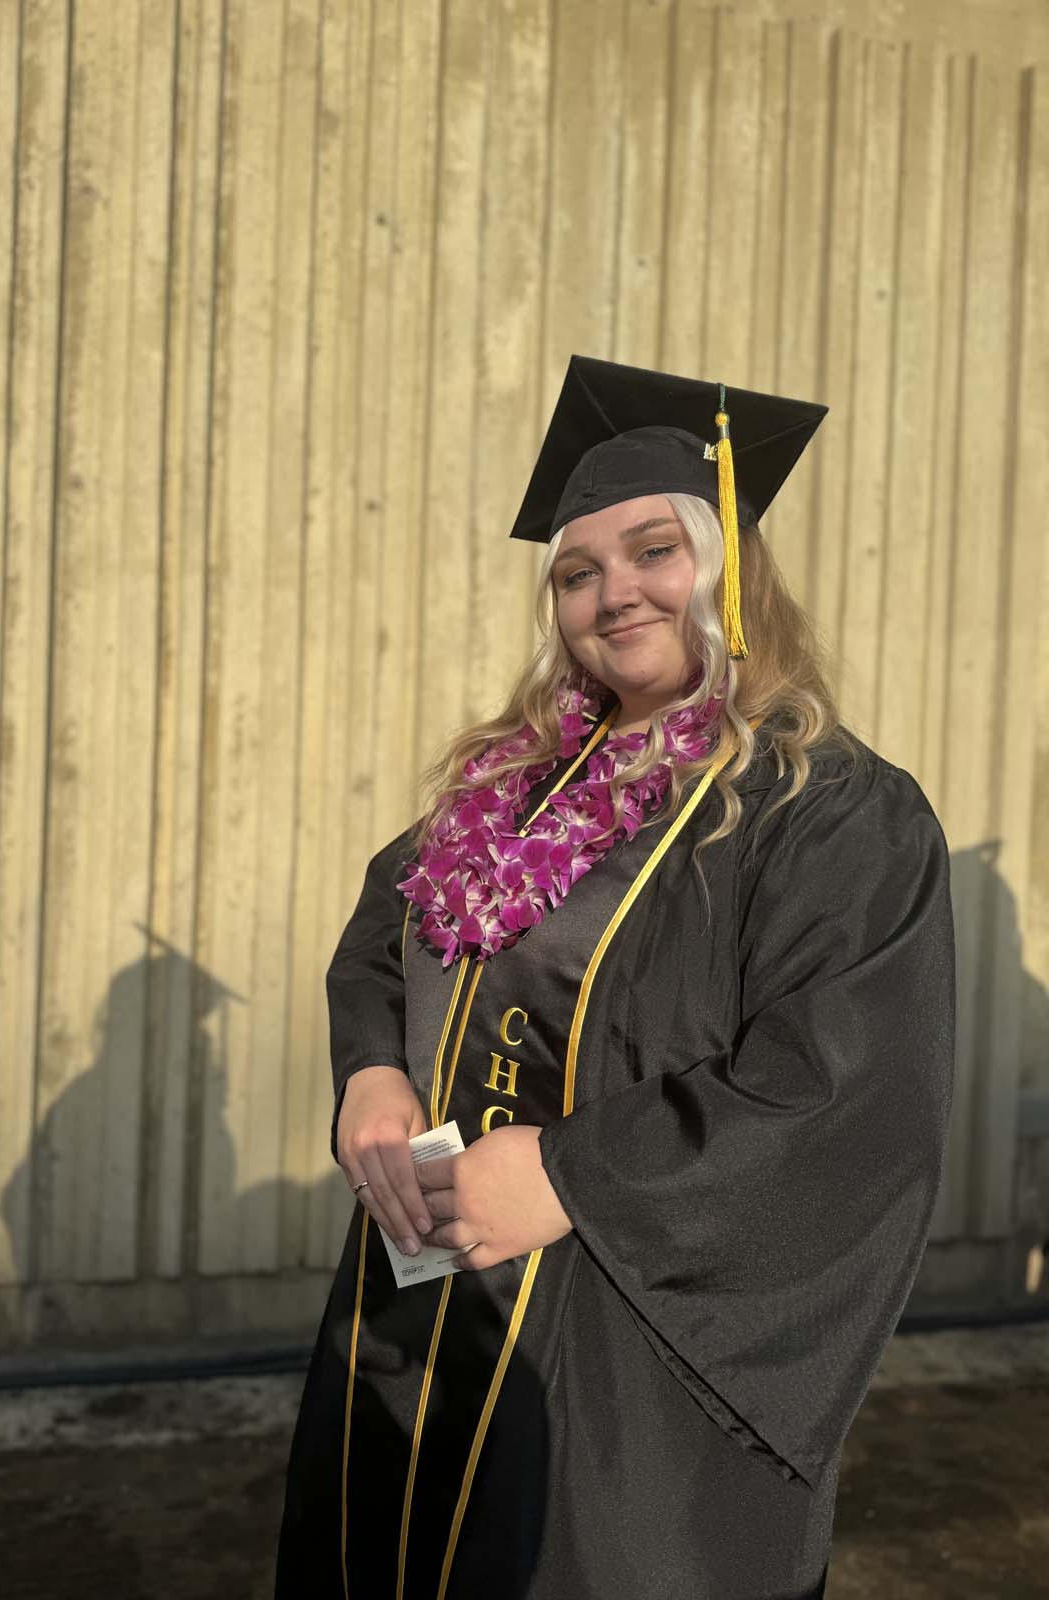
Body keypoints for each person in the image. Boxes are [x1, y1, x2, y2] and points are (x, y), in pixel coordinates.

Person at [274, 357, 955, 1599]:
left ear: (731, 572)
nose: (613, 592)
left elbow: (842, 1091)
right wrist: (370, 1068)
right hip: (423, 1278)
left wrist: (574, 1176)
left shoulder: (826, 809)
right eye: (578, 572)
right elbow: (387, 927)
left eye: (655, 552)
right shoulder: (513, 785)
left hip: (635, 1319)